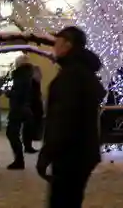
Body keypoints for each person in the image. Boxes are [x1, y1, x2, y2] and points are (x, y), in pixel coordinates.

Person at [36, 26, 106, 208]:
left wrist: (47, 154)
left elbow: (63, 120)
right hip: (81, 153)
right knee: (71, 200)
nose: (54, 47)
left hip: (70, 154)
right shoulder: (83, 72)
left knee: (62, 202)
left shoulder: (71, 76)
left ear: (68, 45)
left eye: (57, 42)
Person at [6, 55, 35, 170]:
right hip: (23, 108)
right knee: (14, 133)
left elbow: (18, 93)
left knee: (12, 133)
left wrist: (9, 93)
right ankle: (19, 159)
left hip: (18, 108)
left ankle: (19, 160)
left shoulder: (20, 75)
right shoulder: (27, 74)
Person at [25, 65, 44, 154]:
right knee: (29, 126)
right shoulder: (33, 81)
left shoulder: (35, 81)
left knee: (32, 126)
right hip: (33, 105)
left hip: (35, 105)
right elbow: (34, 95)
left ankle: (29, 144)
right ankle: (28, 145)